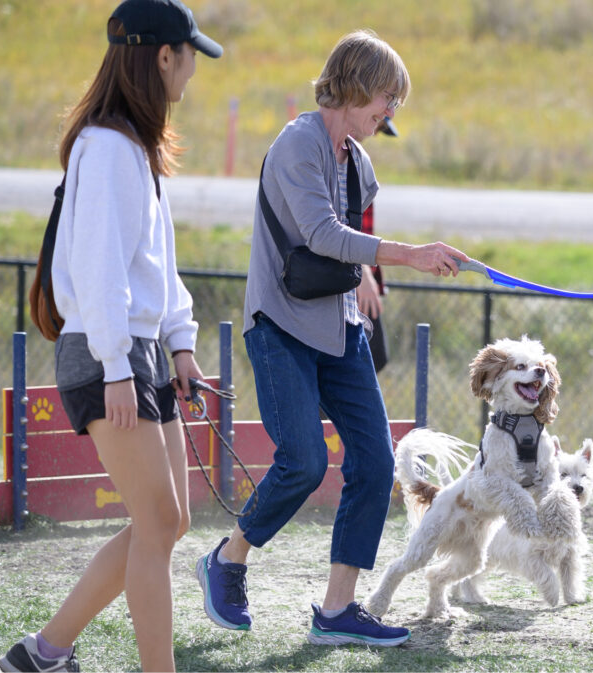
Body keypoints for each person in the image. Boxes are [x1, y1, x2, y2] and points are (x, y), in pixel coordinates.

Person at [195, 29, 469, 647]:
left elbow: (355, 239)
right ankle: (228, 559)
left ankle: (338, 610)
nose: (390, 112)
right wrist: (410, 255)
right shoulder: (298, 145)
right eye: (386, 99)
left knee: (375, 464)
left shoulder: (359, 161)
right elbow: (322, 235)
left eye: (395, 102)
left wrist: (377, 272)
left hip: (341, 328)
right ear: (356, 86)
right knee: (304, 461)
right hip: (283, 327)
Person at [0, 2, 221, 672]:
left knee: (170, 522)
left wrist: (179, 342)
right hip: (106, 352)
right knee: (157, 526)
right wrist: (119, 367)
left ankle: (42, 654)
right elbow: (97, 270)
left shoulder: (137, 147)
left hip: (139, 352)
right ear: (161, 56)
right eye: (189, 56)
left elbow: (157, 263)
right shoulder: (109, 148)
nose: (192, 71)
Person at [357, 117, 399, 373]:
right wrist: (362, 274)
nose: (374, 134)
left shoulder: (358, 159)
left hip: (359, 267)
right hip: (351, 273)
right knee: (369, 357)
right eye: (376, 126)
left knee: (372, 357)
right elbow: (338, 225)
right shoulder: (339, 157)